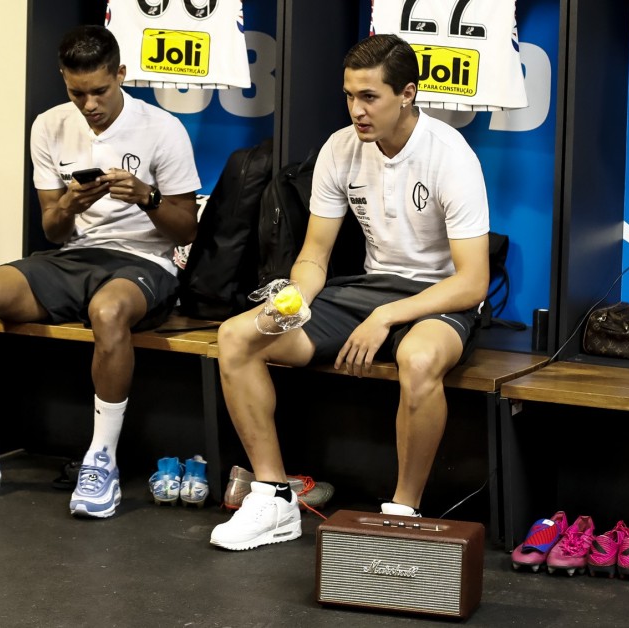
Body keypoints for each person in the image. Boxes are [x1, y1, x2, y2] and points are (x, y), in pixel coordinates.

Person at [209, 34, 491, 551]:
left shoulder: (450, 155)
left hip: (438, 297)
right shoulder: (341, 147)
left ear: (407, 93)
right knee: (237, 336)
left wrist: (387, 317)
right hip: (366, 290)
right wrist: (293, 298)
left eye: (369, 98)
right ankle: (273, 497)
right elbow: (315, 254)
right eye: (349, 96)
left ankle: (401, 511)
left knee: (420, 357)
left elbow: (472, 281)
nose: (356, 111)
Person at [0, 25, 201, 519]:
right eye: (76, 92)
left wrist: (146, 197)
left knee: (107, 311)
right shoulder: (49, 125)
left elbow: (185, 230)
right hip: (75, 257)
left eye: (100, 91)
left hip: (146, 262)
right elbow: (54, 230)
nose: (89, 104)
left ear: (121, 74)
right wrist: (69, 202)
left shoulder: (163, 129)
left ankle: (100, 459)